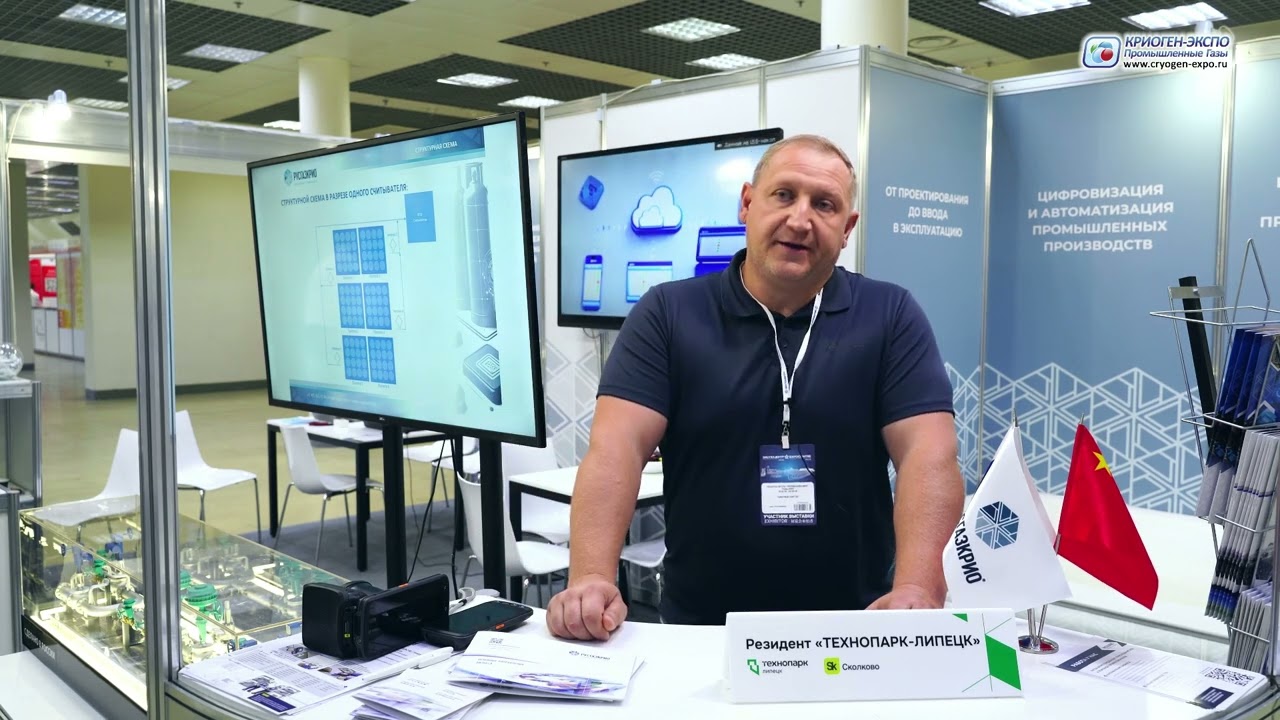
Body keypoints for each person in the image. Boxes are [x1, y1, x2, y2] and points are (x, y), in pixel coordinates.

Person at [546, 134, 964, 641]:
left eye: (824, 204)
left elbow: (928, 455)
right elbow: (617, 449)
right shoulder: (668, 314)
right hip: (701, 630)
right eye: (784, 195)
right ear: (747, 203)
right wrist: (591, 576)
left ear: (847, 228)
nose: (800, 219)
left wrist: (918, 587)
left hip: (854, 628)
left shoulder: (891, 316)